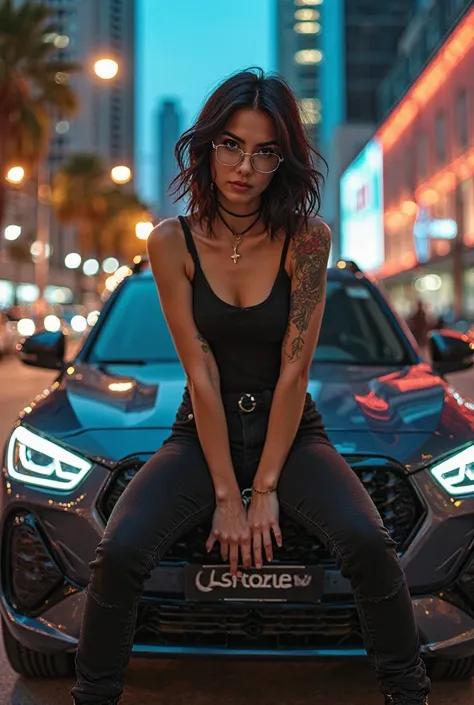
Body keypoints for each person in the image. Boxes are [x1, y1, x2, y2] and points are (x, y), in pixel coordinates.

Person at [71, 68, 430, 705]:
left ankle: (409, 694)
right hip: (198, 431)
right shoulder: (170, 242)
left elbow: (295, 371)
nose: (245, 166)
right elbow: (201, 374)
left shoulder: (307, 241)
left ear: (282, 160)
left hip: (293, 432)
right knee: (120, 552)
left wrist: (264, 488)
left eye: (266, 152)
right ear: (208, 146)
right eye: (232, 145)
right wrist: (226, 497)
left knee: (370, 545)